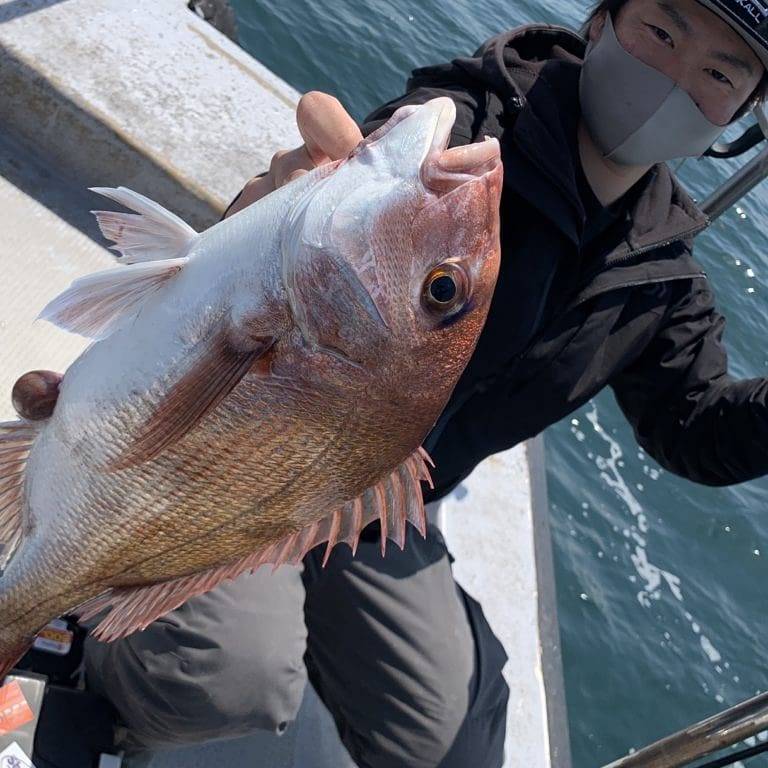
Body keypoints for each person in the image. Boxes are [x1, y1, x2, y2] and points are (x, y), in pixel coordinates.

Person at [11, 0, 768, 765]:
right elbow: (322, 204)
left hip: (381, 509)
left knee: (452, 748)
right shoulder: (471, 128)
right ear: (600, 23)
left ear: (742, 112)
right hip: (239, 466)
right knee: (227, 677)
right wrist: (273, 201)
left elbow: (696, 429)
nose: (673, 77)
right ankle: (88, 654)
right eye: (663, 32)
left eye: (717, 72)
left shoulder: (662, 280)